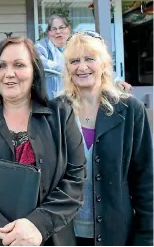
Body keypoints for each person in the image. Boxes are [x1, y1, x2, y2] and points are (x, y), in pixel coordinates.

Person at [0, 37, 86, 246]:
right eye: (1, 66)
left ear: (34, 71)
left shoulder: (61, 116)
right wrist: (2, 227)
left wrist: (38, 225)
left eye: (19, 65)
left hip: (46, 237)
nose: (9, 73)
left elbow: (75, 179)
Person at [61, 31, 153, 246]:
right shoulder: (57, 110)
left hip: (116, 234)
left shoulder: (130, 110)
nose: (82, 67)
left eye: (89, 59)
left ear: (103, 63)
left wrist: (147, 238)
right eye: (75, 61)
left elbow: (145, 180)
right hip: (64, 235)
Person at [35, 14, 131, 99]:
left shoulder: (78, 46)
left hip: (78, 99)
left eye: (61, 27)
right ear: (48, 33)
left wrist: (117, 80)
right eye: (53, 29)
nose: (58, 32)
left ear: (68, 29)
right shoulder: (41, 46)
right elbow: (40, 62)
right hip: (51, 100)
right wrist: (69, 68)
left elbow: (99, 64)